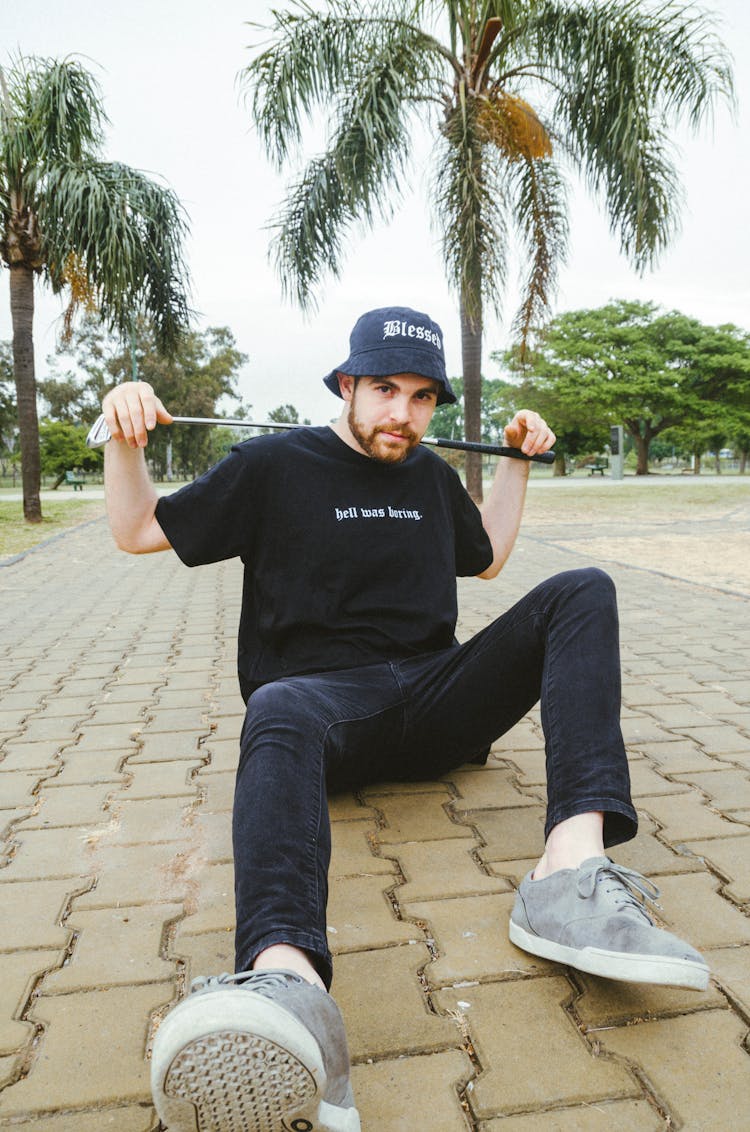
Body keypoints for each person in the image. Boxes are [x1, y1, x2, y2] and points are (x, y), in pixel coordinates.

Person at [101, 306, 708, 1132]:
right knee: (275, 705)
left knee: (584, 588)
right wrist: (122, 433)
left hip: (436, 701)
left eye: (422, 398)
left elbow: (487, 558)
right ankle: (288, 986)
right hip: (323, 711)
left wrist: (520, 464)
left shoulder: (427, 477)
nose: (403, 414)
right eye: (385, 389)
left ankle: (568, 875)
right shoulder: (273, 463)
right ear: (347, 384)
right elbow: (137, 529)